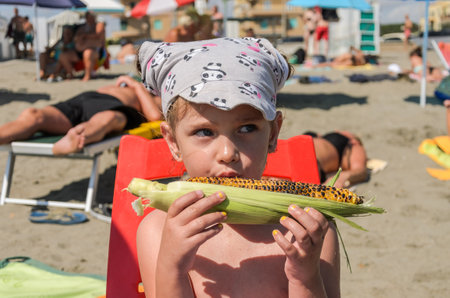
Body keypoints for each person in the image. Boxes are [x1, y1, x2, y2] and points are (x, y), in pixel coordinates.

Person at [135, 38, 340, 297]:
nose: (227, 153)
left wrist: (305, 278)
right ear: (173, 141)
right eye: (204, 131)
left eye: (246, 128)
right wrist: (171, 267)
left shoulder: (308, 229)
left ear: (273, 133)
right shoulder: (159, 229)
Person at [0, 75, 163, 155]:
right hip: (84, 99)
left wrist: (136, 86)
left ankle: (78, 136)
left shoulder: (153, 96)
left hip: (115, 106)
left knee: (108, 118)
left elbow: (155, 116)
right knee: (34, 115)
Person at [303, 131, 368, 188]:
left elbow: (361, 171)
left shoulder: (354, 145)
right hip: (307, 151)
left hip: (313, 161)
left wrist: (340, 178)